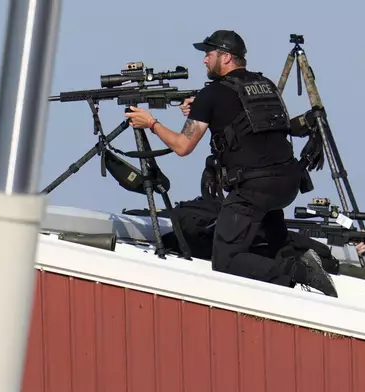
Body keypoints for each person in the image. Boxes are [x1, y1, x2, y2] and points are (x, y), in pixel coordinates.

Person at [124, 29, 338, 298]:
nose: (204, 60)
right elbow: (245, 120)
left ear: (225, 58)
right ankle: (300, 260)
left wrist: (151, 123)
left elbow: (182, 146)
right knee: (273, 244)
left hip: (253, 188)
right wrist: (203, 108)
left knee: (225, 260)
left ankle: (301, 272)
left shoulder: (212, 94)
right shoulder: (265, 85)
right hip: (286, 182)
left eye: (208, 54)